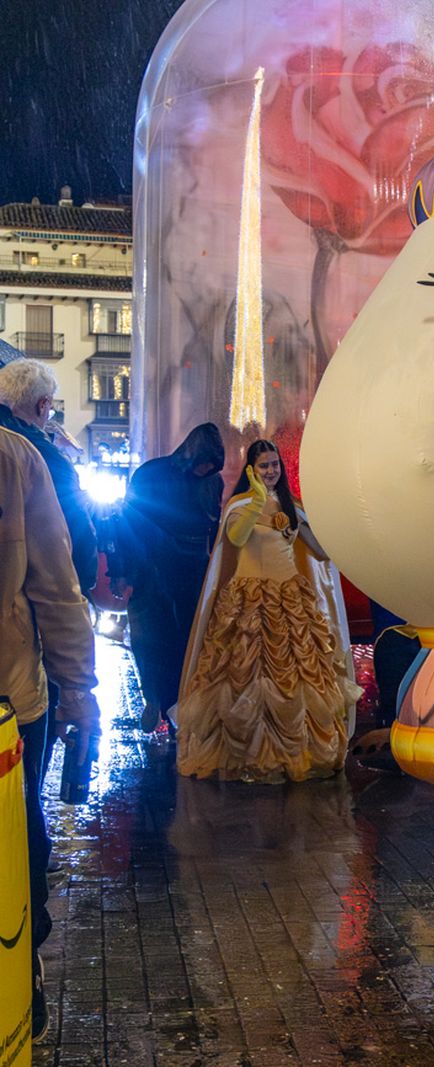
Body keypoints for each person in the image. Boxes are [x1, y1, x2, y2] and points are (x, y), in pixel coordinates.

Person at [175, 440, 359, 783]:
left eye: (275, 464)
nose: (271, 471)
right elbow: (236, 538)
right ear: (251, 470)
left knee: (299, 676)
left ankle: (298, 754)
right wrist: (256, 502)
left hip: (290, 601)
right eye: (264, 466)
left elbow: (320, 552)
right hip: (249, 602)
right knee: (245, 676)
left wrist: (320, 527)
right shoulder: (240, 504)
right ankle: (247, 755)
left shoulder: (291, 505)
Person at [0, 425, 98, 1041]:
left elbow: (57, 588)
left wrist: (78, 690)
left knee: (17, 839)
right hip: (13, 694)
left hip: (10, 700)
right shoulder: (15, 454)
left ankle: (20, 971)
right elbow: (58, 588)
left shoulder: (13, 456)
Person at [111, 423, 225, 730]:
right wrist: (121, 571)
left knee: (184, 639)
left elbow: (213, 527)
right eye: (203, 464)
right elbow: (127, 523)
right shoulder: (151, 474)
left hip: (191, 570)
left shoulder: (211, 482)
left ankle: (176, 704)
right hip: (151, 567)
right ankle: (155, 698)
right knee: (150, 638)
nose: (205, 470)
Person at [0, 360, 98, 595]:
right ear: (43, 404)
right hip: (25, 589)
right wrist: (82, 582)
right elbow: (72, 528)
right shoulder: (47, 459)